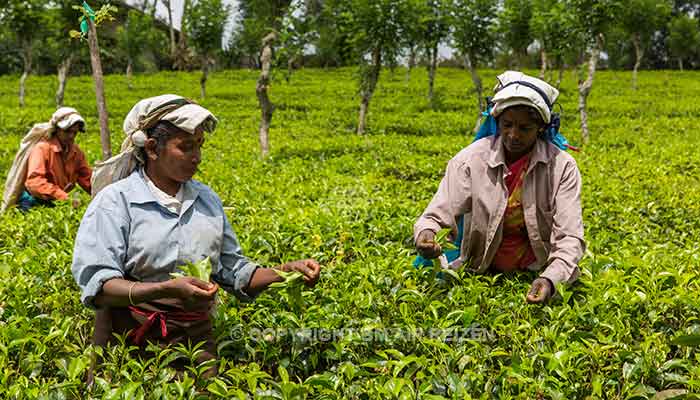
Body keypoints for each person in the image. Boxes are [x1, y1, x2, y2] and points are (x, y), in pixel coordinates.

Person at [71, 95, 321, 373]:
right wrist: (164, 289)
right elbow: (99, 286)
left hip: (194, 341)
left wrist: (284, 272)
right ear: (153, 148)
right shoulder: (116, 201)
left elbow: (234, 271)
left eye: (199, 145)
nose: (196, 157)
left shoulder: (207, 200)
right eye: (185, 147)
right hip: (129, 340)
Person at [414, 71, 585, 304]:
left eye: (524, 128)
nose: (513, 135)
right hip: (479, 270)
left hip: (537, 271)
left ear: (541, 129)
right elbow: (440, 209)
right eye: (507, 125)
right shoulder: (471, 160)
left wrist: (550, 279)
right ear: (497, 123)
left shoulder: (562, 167)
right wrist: (427, 232)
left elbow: (570, 236)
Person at [9, 107, 92, 211]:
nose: (71, 136)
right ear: (56, 130)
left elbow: (87, 178)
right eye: (67, 131)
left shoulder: (76, 152)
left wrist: (103, 193)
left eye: (75, 133)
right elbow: (35, 182)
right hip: (32, 200)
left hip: (54, 200)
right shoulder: (42, 148)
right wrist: (64, 197)